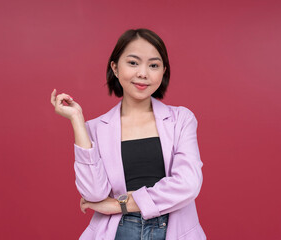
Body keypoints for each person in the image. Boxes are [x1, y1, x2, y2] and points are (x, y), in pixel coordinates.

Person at [50, 28, 206, 240]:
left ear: (163, 71)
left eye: (153, 65)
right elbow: (94, 193)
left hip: (174, 230)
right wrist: (77, 120)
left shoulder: (181, 119)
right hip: (118, 232)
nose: (143, 73)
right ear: (114, 67)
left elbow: (188, 184)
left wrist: (118, 204)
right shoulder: (95, 128)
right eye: (133, 63)